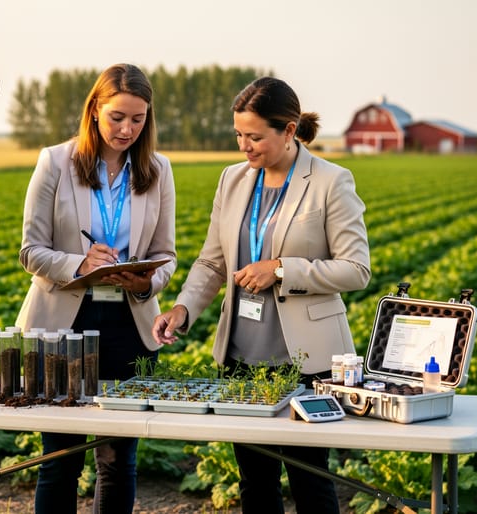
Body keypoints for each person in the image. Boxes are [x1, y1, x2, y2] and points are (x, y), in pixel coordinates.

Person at [151, 76, 371, 514]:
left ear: (289, 130)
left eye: (254, 137)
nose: (244, 147)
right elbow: (212, 262)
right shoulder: (233, 179)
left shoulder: (330, 181)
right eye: (238, 135)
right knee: (255, 481)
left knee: (311, 480)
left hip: (306, 363)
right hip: (242, 360)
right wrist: (182, 308)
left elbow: (356, 269)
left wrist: (282, 269)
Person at [15, 63, 176, 513]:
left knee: (119, 460)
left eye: (138, 119)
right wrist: (79, 263)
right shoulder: (55, 162)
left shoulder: (158, 169)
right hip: (63, 325)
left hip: (129, 324)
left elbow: (166, 253)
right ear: (94, 111)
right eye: (117, 117)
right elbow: (30, 251)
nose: (127, 129)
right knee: (60, 458)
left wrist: (146, 281)